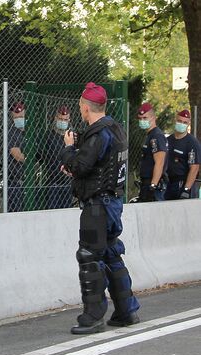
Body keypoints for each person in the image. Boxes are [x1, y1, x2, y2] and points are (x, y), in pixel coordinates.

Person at [59, 82, 140, 335]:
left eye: (81, 107)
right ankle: (126, 311)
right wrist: (76, 165)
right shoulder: (116, 129)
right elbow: (100, 166)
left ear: (85, 107)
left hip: (98, 205)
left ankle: (93, 316)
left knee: (89, 256)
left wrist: (68, 151)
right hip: (113, 202)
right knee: (110, 254)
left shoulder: (98, 134)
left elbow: (81, 166)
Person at [164, 109, 201, 200]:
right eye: (179, 121)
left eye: (185, 122)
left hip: (182, 183)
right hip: (168, 182)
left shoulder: (192, 143)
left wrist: (186, 189)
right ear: (175, 120)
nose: (181, 124)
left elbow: (194, 167)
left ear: (188, 124)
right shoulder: (168, 140)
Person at [43, 105, 73, 209]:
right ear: (56, 118)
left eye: (65, 119)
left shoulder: (71, 136)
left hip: (68, 180)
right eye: (60, 119)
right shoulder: (48, 136)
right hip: (53, 181)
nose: (63, 121)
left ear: (69, 120)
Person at [136, 103, 168, 202]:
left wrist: (153, 186)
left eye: (145, 118)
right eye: (140, 118)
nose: (142, 121)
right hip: (147, 183)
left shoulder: (156, 136)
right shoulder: (150, 135)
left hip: (153, 185)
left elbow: (159, 163)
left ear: (153, 118)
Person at [8, 102, 26, 212]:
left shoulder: (30, 130)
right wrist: (30, 158)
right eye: (17, 117)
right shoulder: (11, 133)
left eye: (21, 117)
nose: (19, 119)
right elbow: (18, 156)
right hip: (14, 181)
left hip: (28, 180)